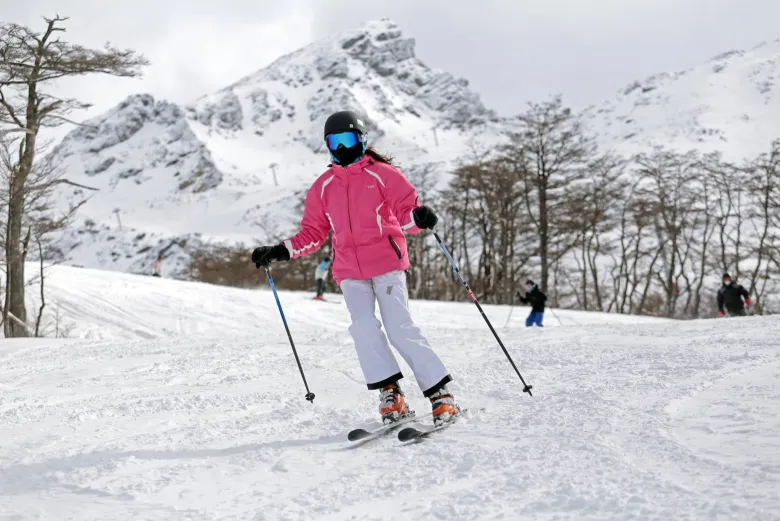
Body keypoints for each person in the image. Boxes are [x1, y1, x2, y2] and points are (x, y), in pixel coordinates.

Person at [251, 110, 459, 426]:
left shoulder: (383, 174)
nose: (342, 147)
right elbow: (313, 232)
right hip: (350, 270)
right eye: (334, 141)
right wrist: (280, 251)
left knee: (399, 327)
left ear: (360, 140)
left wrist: (417, 218)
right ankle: (392, 394)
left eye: (347, 139)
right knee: (362, 328)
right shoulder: (323, 186)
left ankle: (441, 395)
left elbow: (405, 212)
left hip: (387, 264)